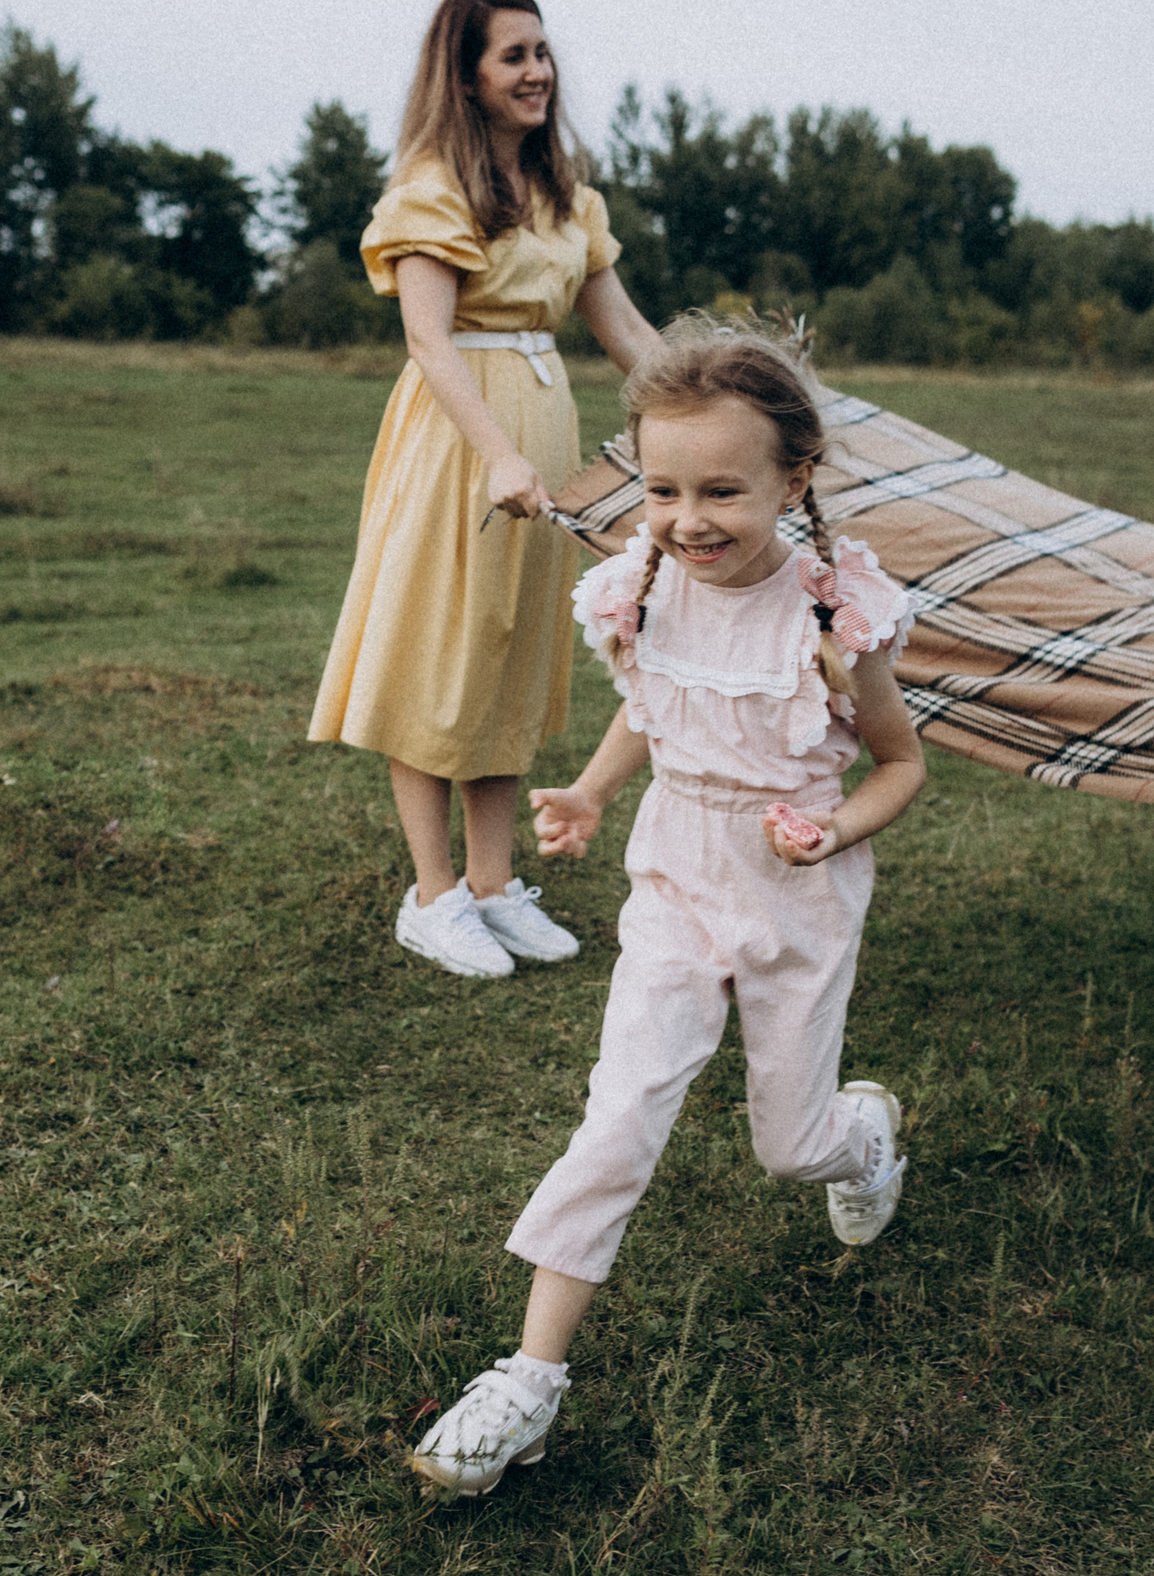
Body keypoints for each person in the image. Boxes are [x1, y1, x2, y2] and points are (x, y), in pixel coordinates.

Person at [408, 320, 927, 1494]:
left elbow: (900, 764)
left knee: (786, 1148)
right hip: (675, 879)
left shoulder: (834, 614)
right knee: (619, 1116)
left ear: (794, 479)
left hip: (795, 894)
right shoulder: (639, 587)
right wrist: (592, 793)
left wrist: (835, 829)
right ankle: (529, 1382)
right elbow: (654, 706)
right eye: (662, 489)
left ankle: (859, 1138)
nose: (687, 520)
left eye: (721, 491)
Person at [309, 0, 661, 979]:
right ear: (466, 76)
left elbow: (628, 333)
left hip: (542, 433)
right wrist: (499, 454)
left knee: (508, 649)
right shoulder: (432, 188)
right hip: (459, 438)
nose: (537, 70)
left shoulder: (564, 196)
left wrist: (724, 407)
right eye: (513, 56)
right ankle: (434, 897)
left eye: (542, 51)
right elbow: (428, 340)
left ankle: (495, 883)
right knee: (438, 647)